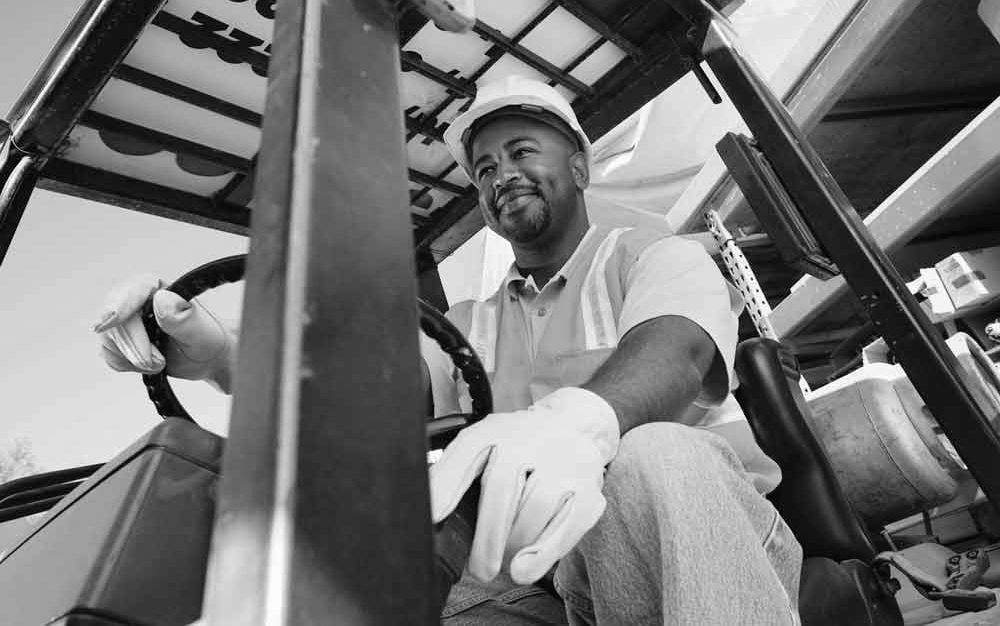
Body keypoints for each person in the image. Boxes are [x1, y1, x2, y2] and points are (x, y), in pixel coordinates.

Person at [95, 76, 802, 625]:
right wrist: (220, 353)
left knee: (651, 457)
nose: (502, 177)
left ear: (581, 166)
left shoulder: (653, 253)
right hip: (535, 575)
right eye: (486, 170)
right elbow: (360, 394)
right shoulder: (463, 323)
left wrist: (581, 425)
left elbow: (675, 351)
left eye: (522, 152)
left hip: (694, 542)